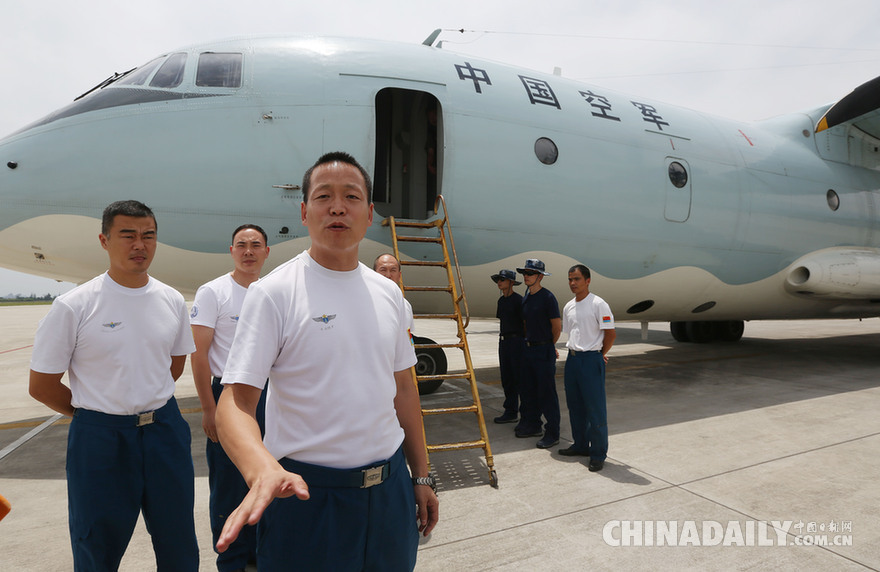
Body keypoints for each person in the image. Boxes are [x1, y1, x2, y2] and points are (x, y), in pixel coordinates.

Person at [214, 151, 439, 571]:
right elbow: (237, 402)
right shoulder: (274, 293)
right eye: (324, 196)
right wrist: (260, 467)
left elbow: (405, 390)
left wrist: (420, 476)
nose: (337, 206)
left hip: (389, 492)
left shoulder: (388, 293)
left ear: (369, 213)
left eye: (351, 197)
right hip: (307, 497)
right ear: (304, 211)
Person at [28, 200, 198, 571]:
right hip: (100, 439)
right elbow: (41, 385)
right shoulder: (75, 305)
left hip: (164, 433)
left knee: (178, 538)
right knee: (95, 543)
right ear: (104, 241)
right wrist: (94, 413)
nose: (140, 245)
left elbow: (174, 364)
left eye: (148, 236)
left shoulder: (171, 300)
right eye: (128, 235)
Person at [190, 224, 270, 571]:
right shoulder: (214, 293)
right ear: (231, 250)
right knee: (229, 481)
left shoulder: (273, 291)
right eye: (242, 245)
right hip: (229, 394)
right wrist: (209, 407)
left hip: (273, 395)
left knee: (270, 473)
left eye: (256, 245)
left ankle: (261, 551)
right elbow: (199, 354)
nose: (248, 251)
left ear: (266, 251)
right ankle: (233, 558)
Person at [559, 264, 616, 472]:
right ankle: (580, 445)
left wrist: (600, 355)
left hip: (591, 360)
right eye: (570, 279)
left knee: (595, 409)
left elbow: (610, 333)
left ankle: (598, 453)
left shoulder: (598, 304)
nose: (573, 283)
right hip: (573, 360)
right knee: (575, 406)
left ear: (588, 280)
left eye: (577, 279)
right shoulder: (568, 306)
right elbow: (572, 332)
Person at [515, 258, 562, 449]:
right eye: (525, 273)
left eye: (530, 273)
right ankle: (533, 425)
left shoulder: (548, 298)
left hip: (543, 350)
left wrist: (549, 345)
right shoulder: (527, 297)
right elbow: (526, 324)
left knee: (546, 393)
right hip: (529, 349)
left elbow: (556, 326)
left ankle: (553, 433)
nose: (526, 276)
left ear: (540, 276)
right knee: (528, 390)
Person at [490, 269, 524, 424]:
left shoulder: (519, 301)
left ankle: (525, 413)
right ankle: (510, 411)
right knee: (507, 378)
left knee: (519, 378)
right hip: (503, 342)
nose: (499, 282)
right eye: (498, 279)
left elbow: (525, 323)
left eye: (502, 279)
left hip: (517, 342)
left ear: (511, 282)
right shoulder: (500, 301)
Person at [374, 252, 415, 336]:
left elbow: (408, 336)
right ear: (373, 274)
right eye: (383, 270)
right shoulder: (365, 302)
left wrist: (411, 347)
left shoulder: (405, 305)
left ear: (399, 275)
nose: (388, 275)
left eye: (393, 270)